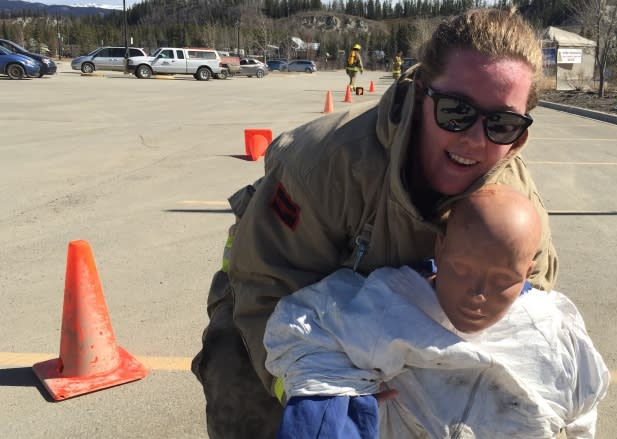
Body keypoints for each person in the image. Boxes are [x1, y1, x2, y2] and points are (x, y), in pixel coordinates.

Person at [191, 8, 559, 438]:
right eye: (456, 112)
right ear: (422, 95)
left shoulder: (518, 203)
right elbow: (266, 285)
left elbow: (532, 305)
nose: (475, 140)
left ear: (521, 134)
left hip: (412, 324)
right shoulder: (327, 164)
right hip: (285, 299)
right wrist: (312, 386)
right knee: (240, 389)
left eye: (502, 123)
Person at [265, 185, 609, 439]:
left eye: (503, 280)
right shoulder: (385, 306)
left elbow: (583, 409)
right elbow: (299, 329)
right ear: (439, 249)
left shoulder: (553, 333)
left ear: (528, 271)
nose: (477, 293)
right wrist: (335, 404)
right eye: (461, 268)